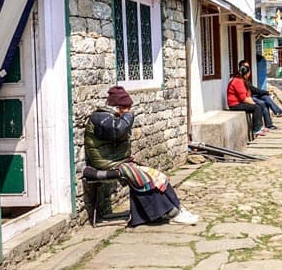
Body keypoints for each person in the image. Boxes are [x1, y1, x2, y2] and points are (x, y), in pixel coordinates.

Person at [85, 86, 199, 226]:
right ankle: (170, 213)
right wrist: (128, 115)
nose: (128, 111)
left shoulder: (110, 117)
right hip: (107, 163)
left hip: (118, 161)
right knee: (145, 179)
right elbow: (118, 130)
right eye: (127, 107)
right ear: (120, 106)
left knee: (157, 175)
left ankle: (176, 209)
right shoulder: (100, 118)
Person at [238, 59, 282, 125]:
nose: (248, 69)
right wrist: (266, 92)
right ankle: (269, 122)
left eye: (248, 68)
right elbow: (254, 90)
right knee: (263, 103)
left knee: (265, 97)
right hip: (246, 99)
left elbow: (253, 90)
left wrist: (265, 93)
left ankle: (277, 113)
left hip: (250, 96)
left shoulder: (245, 79)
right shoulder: (240, 79)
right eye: (246, 67)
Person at [227, 65, 268, 137]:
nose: (249, 74)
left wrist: (253, 102)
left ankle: (260, 126)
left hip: (239, 102)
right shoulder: (237, 81)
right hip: (235, 105)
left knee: (259, 106)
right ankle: (256, 129)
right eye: (249, 73)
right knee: (256, 108)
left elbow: (247, 95)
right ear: (246, 74)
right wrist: (253, 103)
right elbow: (244, 98)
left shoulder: (241, 80)